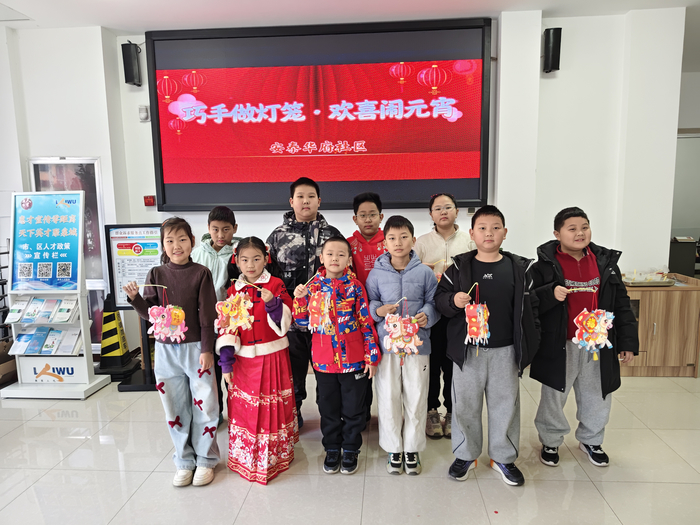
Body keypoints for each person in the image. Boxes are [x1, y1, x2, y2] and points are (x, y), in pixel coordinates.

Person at [434, 205, 539, 486]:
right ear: (472, 234)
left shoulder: (519, 269)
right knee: (465, 405)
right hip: (468, 351)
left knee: (505, 406)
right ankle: (466, 455)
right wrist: (453, 301)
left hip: (506, 351)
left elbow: (533, 310)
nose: (489, 233)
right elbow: (439, 301)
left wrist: (530, 345)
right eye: (482, 228)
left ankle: (503, 457)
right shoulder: (458, 268)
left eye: (495, 228)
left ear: (505, 232)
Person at [530, 207, 638, 468]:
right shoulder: (543, 267)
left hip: (598, 344)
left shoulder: (605, 263)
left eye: (584, 227)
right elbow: (529, 303)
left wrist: (628, 342)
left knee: (597, 393)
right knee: (554, 395)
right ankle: (551, 440)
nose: (580, 233)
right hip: (560, 344)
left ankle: (591, 439)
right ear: (557, 234)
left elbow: (622, 304)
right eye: (572, 229)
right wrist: (550, 293)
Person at [123, 217, 219, 487]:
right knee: (174, 407)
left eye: (182, 239)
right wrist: (135, 299)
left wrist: (207, 349)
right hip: (165, 351)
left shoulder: (201, 273)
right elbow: (150, 314)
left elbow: (207, 314)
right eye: (170, 241)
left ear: (192, 241)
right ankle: (184, 460)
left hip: (197, 349)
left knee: (206, 404)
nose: (177, 246)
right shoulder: (155, 274)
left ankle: (206, 459)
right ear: (163, 245)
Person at [292, 237, 380, 475]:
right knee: (327, 407)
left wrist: (371, 356)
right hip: (324, 362)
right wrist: (300, 299)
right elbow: (302, 323)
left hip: (353, 360)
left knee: (353, 408)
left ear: (349, 260)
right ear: (321, 258)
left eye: (341, 254)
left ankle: (350, 448)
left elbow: (365, 322)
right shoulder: (312, 287)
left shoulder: (356, 287)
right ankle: (332, 448)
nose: (334, 258)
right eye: (330, 254)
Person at [215, 236, 298, 484]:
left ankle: (274, 456)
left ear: (266, 259)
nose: (250, 265)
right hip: (243, 361)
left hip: (273, 357)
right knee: (245, 409)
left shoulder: (276, 284)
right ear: (236, 261)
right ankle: (246, 456)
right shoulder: (233, 290)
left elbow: (285, 321)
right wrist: (226, 362)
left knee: (272, 407)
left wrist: (272, 303)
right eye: (244, 260)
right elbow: (228, 327)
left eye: (256, 259)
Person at [366, 216, 439, 475]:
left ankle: (412, 449)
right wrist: (378, 310)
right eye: (392, 238)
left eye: (404, 237)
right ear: (384, 243)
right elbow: (370, 303)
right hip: (387, 346)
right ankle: (393, 449)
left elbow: (434, 302)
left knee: (416, 396)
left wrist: (427, 315)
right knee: (388, 397)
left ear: (413, 240)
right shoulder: (376, 274)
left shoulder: (425, 273)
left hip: (418, 345)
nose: (398, 243)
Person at [267, 177, 342, 428]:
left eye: (311, 196)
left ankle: (330, 418)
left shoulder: (332, 235)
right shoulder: (277, 237)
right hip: (291, 319)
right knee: (292, 371)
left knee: (327, 372)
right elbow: (270, 277)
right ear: (291, 201)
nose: (305, 201)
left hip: (326, 320)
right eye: (300, 196)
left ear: (319, 201)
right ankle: (293, 413)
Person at [414, 193, 476, 439]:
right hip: (431, 313)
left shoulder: (469, 241)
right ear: (431, 214)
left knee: (454, 364)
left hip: (459, 315)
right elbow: (412, 275)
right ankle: (431, 411)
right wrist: (423, 271)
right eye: (437, 208)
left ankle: (451, 412)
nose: (443, 212)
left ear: (457, 211)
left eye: (448, 207)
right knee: (431, 364)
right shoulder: (421, 243)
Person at [191, 205, 240, 425]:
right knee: (210, 373)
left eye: (226, 229)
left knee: (232, 368)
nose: (221, 235)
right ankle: (215, 412)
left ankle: (237, 413)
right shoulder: (197, 254)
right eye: (215, 229)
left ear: (235, 228)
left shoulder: (239, 254)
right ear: (208, 228)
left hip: (232, 323)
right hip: (205, 322)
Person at [347, 191, 387, 422]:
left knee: (385, 365)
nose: (368, 219)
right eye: (363, 215)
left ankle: (388, 415)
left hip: (385, 313)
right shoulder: (348, 245)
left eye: (372, 214)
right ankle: (361, 414)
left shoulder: (391, 242)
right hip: (357, 314)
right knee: (362, 364)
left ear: (381, 216)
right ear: (355, 219)